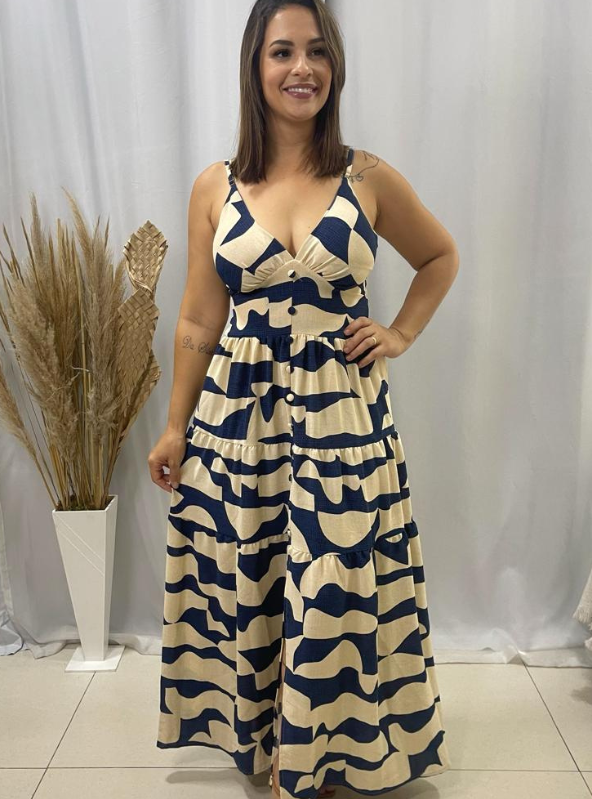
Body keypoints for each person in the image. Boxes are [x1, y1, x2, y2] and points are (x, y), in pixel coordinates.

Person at [149, 1, 459, 797]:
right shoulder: (215, 186)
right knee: (253, 576)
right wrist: (176, 426)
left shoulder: (367, 177)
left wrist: (399, 333)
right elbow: (197, 319)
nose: (302, 68)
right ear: (255, 66)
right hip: (240, 421)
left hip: (342, 424)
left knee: (334, 578)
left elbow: (439, 256)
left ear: (335, 67)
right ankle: (274, 742)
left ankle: (323, 748)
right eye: (283, 51)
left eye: (318, 51)